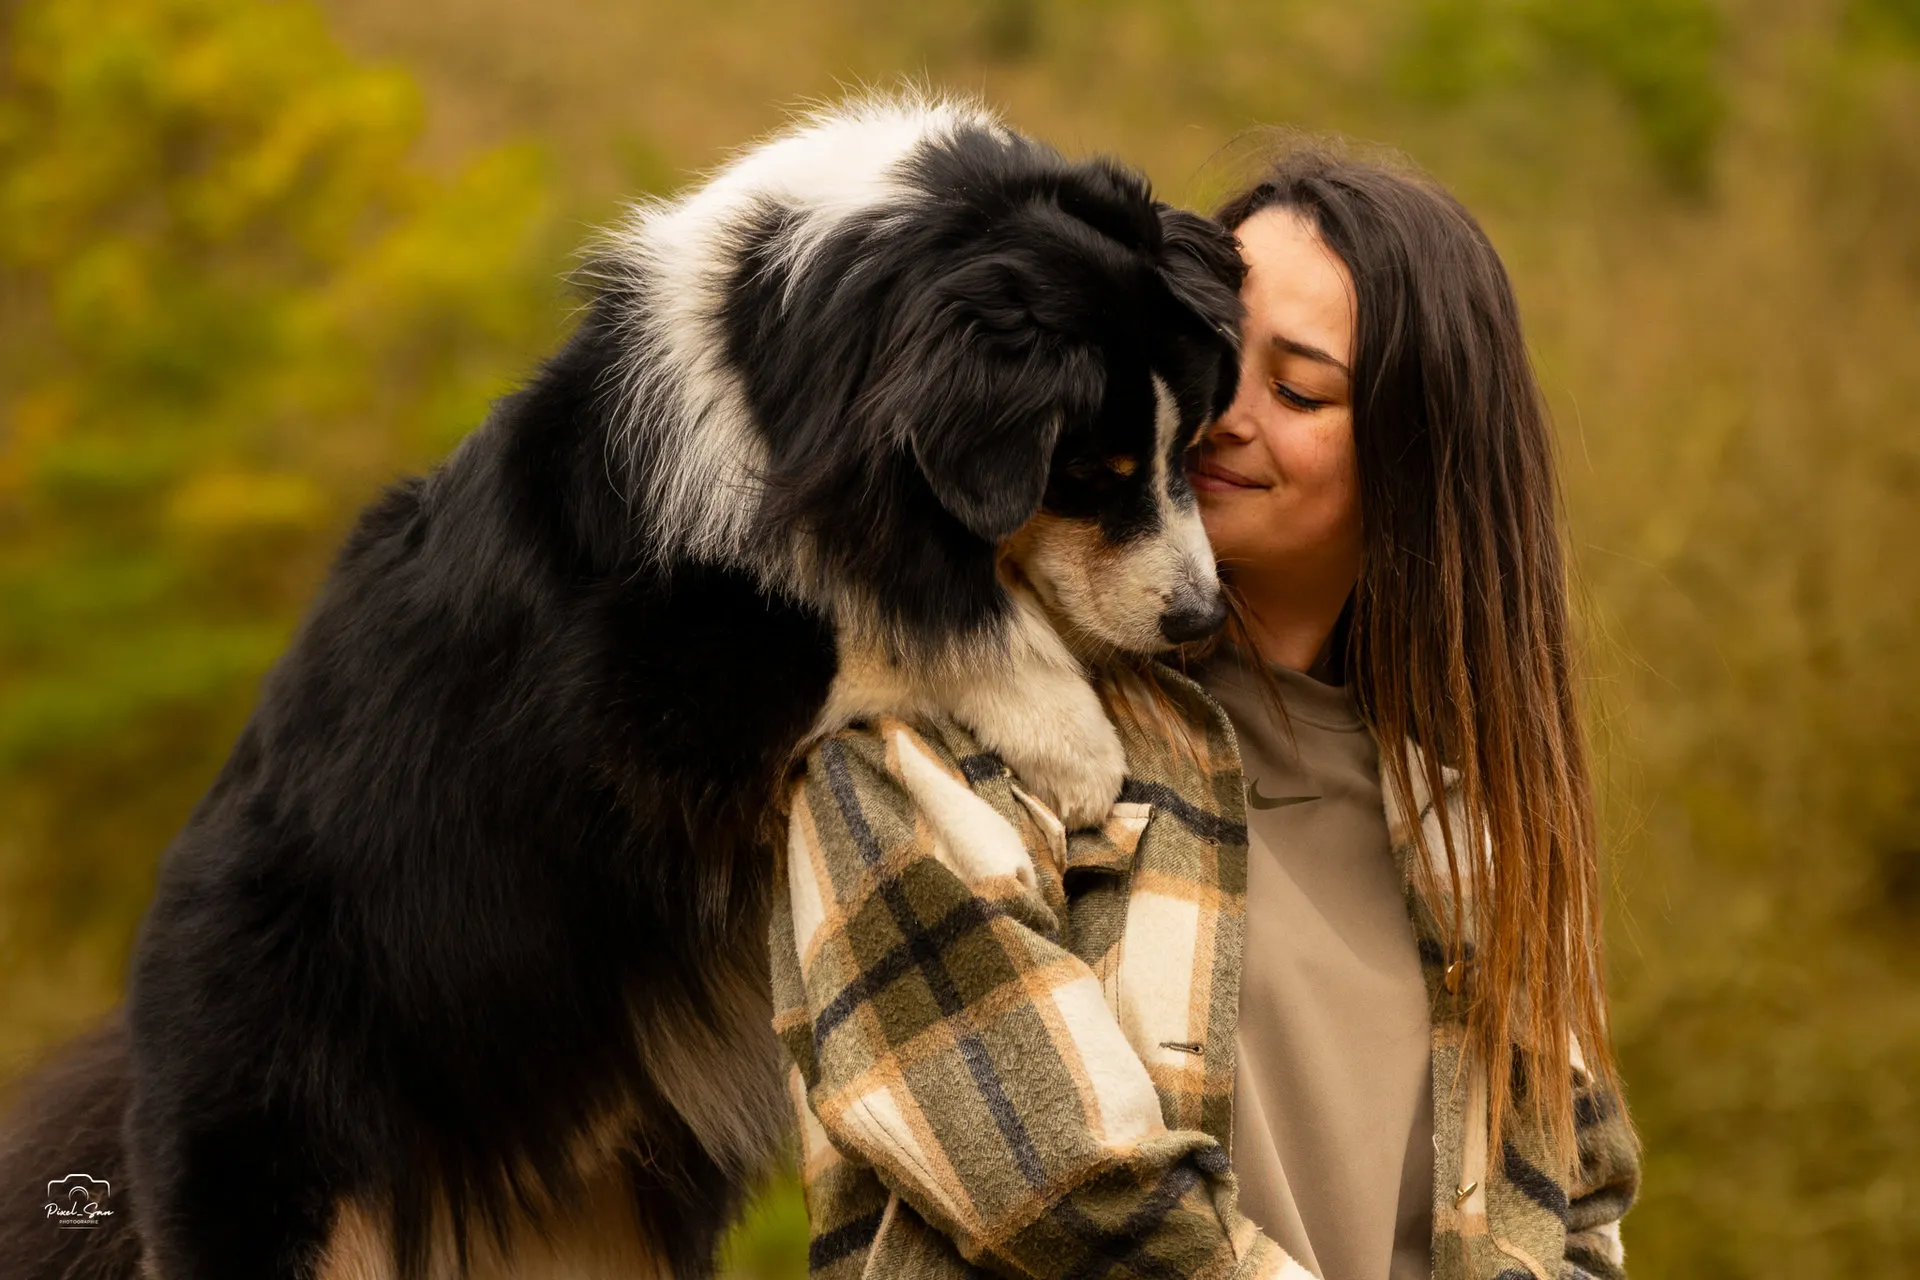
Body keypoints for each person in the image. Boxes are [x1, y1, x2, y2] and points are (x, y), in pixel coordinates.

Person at [767, 146, 1640, 1280]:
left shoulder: (1476, 833)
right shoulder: (940, 720)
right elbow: (1059, 1183)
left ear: (1418, 456)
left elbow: (1578, 1210)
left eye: (1299, 389)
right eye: (1220, 358)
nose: (1219, 412)